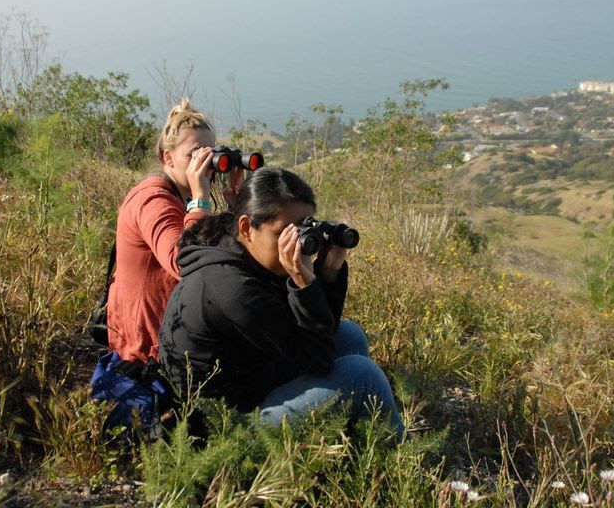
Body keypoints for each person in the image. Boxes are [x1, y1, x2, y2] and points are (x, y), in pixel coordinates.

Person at [158, 168, 404, 436]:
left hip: (254, 379)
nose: (294, 245)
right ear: (245, 227)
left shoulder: (244, 252)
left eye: (301, 230)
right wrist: (304, 284)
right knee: (362, 375)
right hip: (225, 431)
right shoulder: (230, 287)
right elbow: (317, 360)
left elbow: (322, 336)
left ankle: (355, 440)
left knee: (349, 336)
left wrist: (328, 273)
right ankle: (400, 465)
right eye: (284, 234)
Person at [106, 99, 240, 363]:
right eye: (195, 154)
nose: (204, 163)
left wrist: (237, 206)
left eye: (210, 154)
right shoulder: (153, 200)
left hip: (172, 326)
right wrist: (200, 196)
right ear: (168, 158)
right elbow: (184, 261)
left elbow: (215, 253)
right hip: (146, 348)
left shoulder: (181, 196)